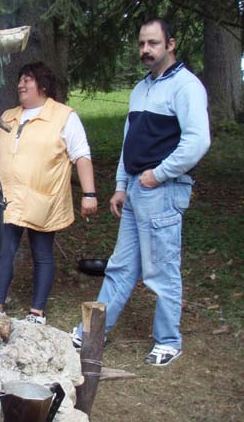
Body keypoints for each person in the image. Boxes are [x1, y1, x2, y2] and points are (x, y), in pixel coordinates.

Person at [72, 18, 211, 366]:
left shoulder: (186, 86)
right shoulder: (141, 89)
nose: (145, 50)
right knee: (119, 267)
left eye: (153, 43)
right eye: (141, 44)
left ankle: (168, 341)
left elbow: (198, 141)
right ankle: (93, 334)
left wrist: (159, 174)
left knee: (161, 270)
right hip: (135, 188)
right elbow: (127, 144)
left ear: (171, 44)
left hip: (163, 190)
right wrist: (121, 186)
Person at [0, 61, 97, 324]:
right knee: (3, 250)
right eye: (20, 79)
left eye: (28, 79)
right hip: (8, 198)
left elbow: (81, 156)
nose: (20, 84)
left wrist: (89, 194)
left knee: (42, 253)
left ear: (43, 85)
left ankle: (37, 313)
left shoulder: (63, 116)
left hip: (44, 198)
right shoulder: (8, 115)